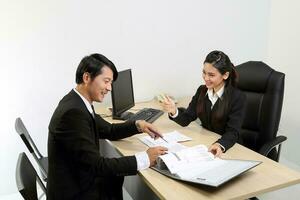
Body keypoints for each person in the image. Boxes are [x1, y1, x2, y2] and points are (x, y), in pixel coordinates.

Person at [47, 53, 167, 200]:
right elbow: (97, 166)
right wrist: (145, 158)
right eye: (106, 81)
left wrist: (138, 125)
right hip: (75, 193)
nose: (109, 88)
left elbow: (109, 130)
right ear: (86, 78)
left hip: (79, 181)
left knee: (115, 179)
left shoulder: (77, 102)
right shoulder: (73, 113)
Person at [161, 50, 246, 157]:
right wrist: (174, 111)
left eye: (211, 75)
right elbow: (187, 118)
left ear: (225, 75)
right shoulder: (202, 91)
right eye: (204, 72)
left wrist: (220, 145)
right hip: (207, 144)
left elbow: (233, 132)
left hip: (230, 148)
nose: (206, 78)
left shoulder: (237, 97)